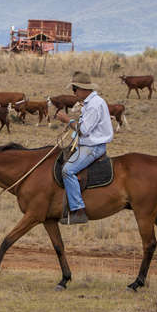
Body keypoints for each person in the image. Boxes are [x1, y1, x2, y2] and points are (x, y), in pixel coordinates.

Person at [54, 71, 114, 224]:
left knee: (68, 170)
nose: (73, 92)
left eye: (74, 89)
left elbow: (84, 130)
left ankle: (78, 210)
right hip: (87, 143)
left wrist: (67, 120)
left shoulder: (94, 105)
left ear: (83, 89)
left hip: (93, 147)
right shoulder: (90, 103)